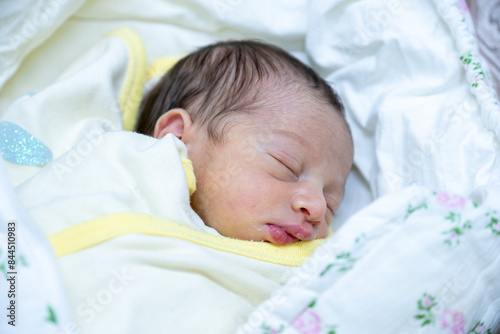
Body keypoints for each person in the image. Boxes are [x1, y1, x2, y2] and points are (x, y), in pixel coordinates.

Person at [136, 40, 353, 245]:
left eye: (331, 205)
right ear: (177, 137)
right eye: (286, 166)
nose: (317, 208)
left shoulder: (312, 267)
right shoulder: (121, 179)